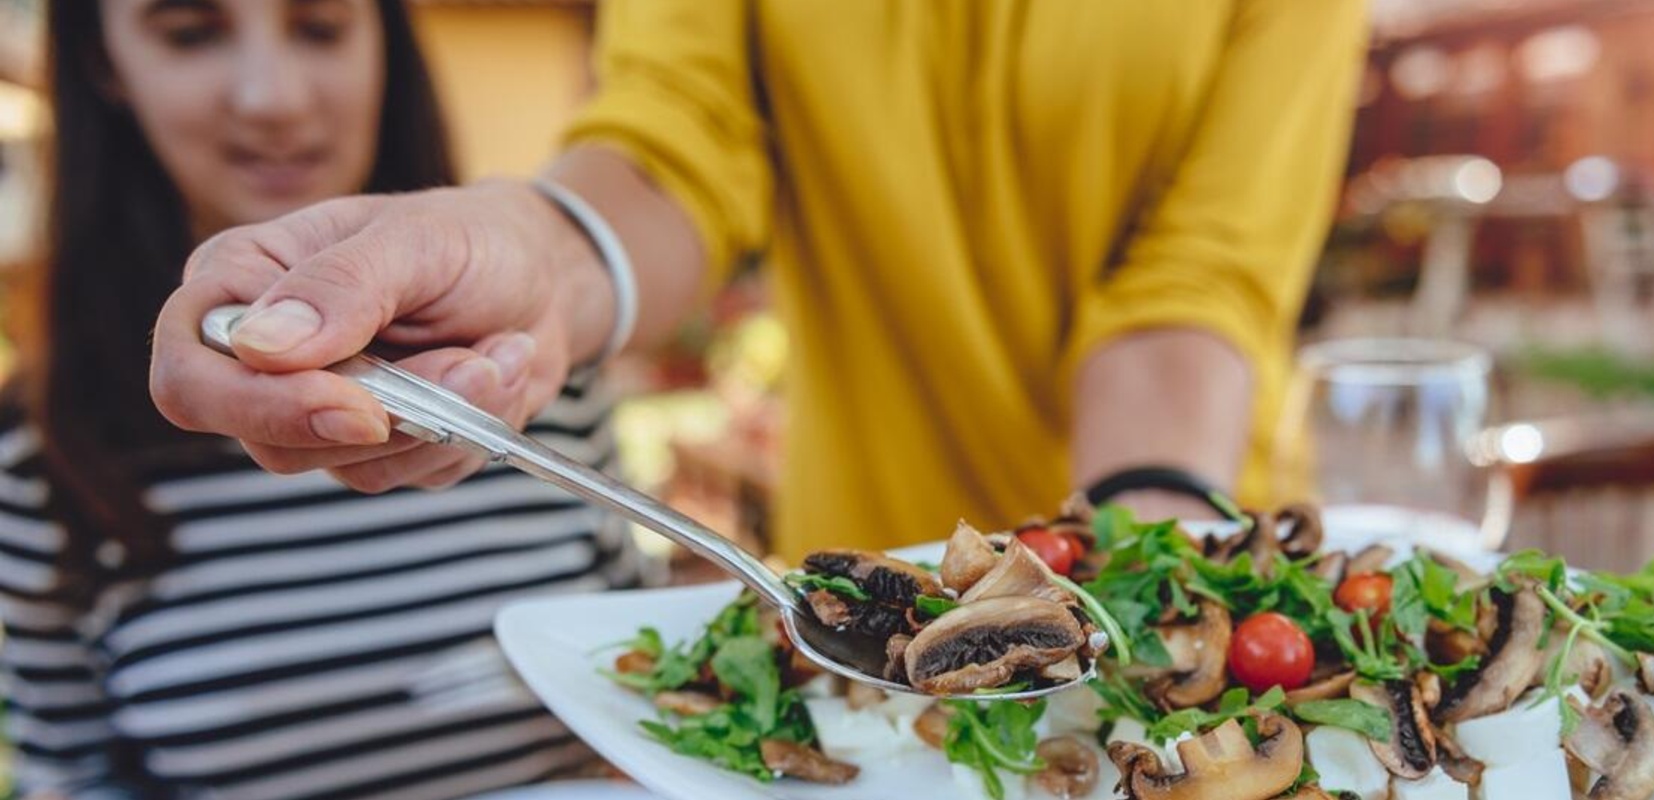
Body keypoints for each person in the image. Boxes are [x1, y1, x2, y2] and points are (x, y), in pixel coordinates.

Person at [151, 0, 1367, 562]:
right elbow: (683, 136)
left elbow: (1201, 275)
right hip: (868, 581)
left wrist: (1135, 566)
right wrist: (540, 253)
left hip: (1192, 535)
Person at [1, 1, 641, 797]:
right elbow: (67, 778)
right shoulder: (40, 459)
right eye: (191, 34)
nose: (275, 99)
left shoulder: (531, 364)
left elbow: (643, 686)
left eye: (321, 26)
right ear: (105, 64)